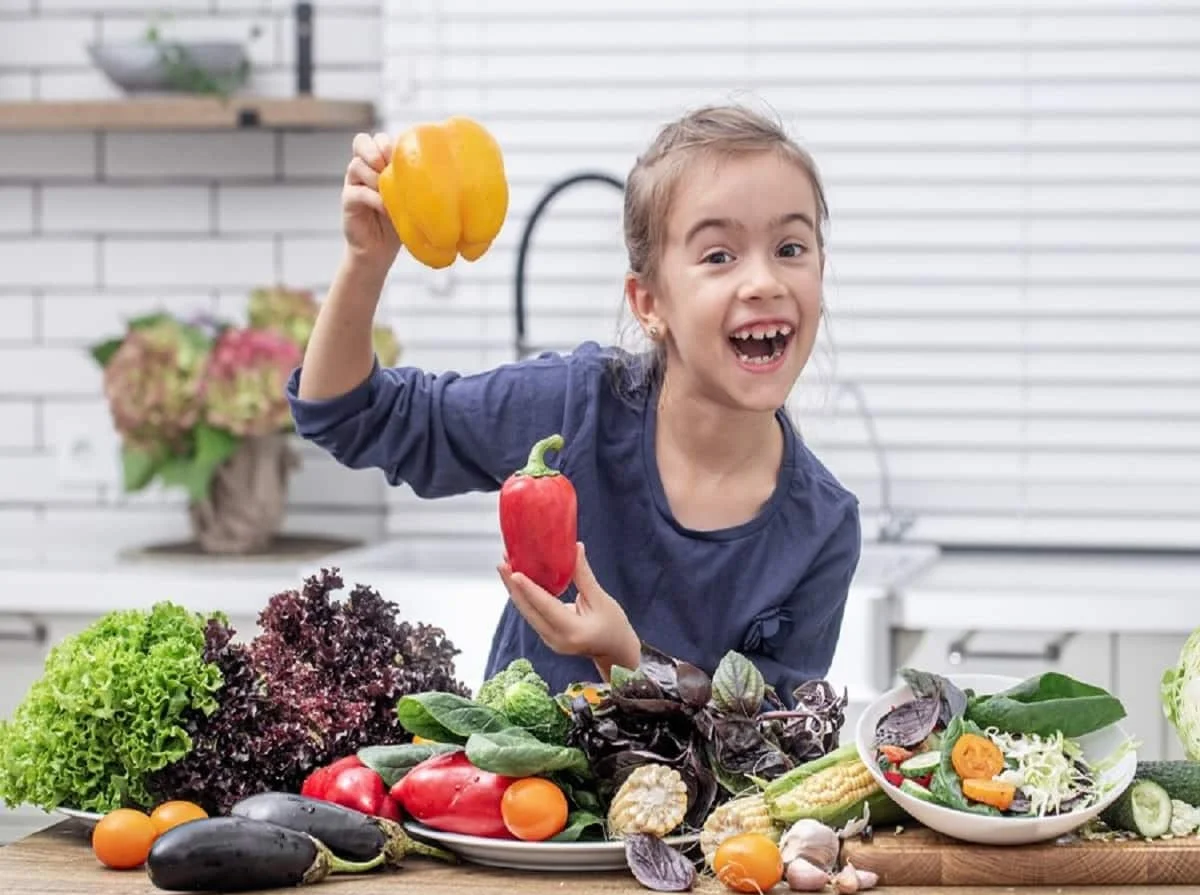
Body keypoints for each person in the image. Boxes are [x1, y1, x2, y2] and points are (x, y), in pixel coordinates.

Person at [286, 103, 862, 704]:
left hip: (693, 804)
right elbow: (348, 415)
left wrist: (627, 660)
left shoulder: (822, 528)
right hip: (510, 798)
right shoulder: (575, 407)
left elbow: (776, 747)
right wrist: (365, 263)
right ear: (648, 304)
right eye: (719, 255)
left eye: (791, 248)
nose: (764, 281)